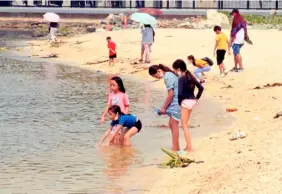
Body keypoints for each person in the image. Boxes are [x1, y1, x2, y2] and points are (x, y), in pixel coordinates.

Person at [172, 59, 204, 153]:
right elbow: (201, 88)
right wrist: (197, 98)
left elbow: (180, 93)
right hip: (192, 101)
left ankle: (189, 147)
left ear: (178, 69)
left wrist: (179, 103)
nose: (174, 72)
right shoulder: (191, 76)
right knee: (185, 124)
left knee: (184, 125)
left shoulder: (181, 79)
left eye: (174, 70)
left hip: (185, 102)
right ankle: (188, 146)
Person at [148, 64, 180, 152]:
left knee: (173, 125)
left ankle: (176, 148)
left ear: (159, 71)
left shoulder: (167, 77)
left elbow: (171, 94)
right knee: (172, 124)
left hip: (176, 102)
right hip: (177, 101)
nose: (157, 78)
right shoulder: (170, 74)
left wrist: (163, 108)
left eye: (155, 76)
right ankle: (175, 146)